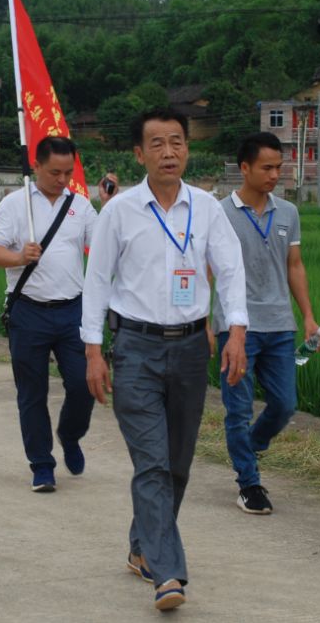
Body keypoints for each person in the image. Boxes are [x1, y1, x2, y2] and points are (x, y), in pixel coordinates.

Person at [82, 108, 248, 612]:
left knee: (176, 463)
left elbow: (231, 269)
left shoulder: (207, 207)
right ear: (139, 154)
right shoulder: (120, 211)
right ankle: (167, 573)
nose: (169, 152)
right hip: (134, 347)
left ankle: (141, 547)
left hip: (192, 348)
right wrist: (93, 351)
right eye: (157, 144)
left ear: (187, 148)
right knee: (152, 462)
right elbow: (97, 282)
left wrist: (235, 330)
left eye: (177, 142)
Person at [212, 132, 320, 515]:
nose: (275, 174)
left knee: (285, 403)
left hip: (280, 324)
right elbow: (208, 273)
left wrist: (307, 316)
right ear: (244, 168)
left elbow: (294, 266)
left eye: (279, 167)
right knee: (238, 408)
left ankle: (253, 443)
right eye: (267, 167)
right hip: (235, 327)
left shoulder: (288, 213)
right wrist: (206, 326)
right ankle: (249, 482)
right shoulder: (219, 214)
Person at [0, 137, 99, 493]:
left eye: (68, 172)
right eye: (55, 172)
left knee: (83, 384)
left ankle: (70, 433)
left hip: (72, 311)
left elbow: (102, 247)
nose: (62, 180)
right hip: (28, 311)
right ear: (36, 166)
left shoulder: (80, 206)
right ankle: (42, 464)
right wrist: (20, 257)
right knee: (31, 392)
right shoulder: (14, 205)